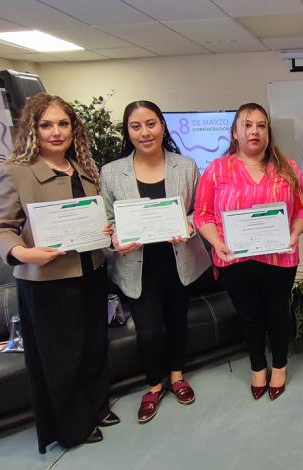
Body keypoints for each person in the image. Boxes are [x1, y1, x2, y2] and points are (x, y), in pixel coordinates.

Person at [0, 93, 117, 453]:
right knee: (62, 356)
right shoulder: (15, 173)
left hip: (91, 270)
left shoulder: (84, 169)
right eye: (46, 125)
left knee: (93, 346)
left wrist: (103, 230)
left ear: (74, 129)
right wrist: (24, 252)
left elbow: (92, 217)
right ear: (33, 130)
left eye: (63, 124)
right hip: (46, 281)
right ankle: (71, 427)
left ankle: (96, 407)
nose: (56, 132)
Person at [100, 100, 211, 424]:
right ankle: (153, 386)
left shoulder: (186, 165)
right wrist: (115, 238)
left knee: (177, 323)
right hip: (137, 265)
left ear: (162, 125)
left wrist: (189, 225)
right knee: (148, 331)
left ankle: (177, 377)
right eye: (136, 126)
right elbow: (107, 220)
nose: (145, 132)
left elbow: (198, 210)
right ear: (128, 131)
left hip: (180, 260)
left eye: (151, 124)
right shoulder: (111, 172)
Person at [194, 102, 303, 401]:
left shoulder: (288, 168)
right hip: (234, 258)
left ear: (268, 133)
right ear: (235, 133)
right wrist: (216, 243)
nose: (254, 131)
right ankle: (258, 366)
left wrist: (296, 231)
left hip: (279, 257)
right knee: (250, 316)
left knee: (277, 313)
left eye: (261, 125)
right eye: (247, 125)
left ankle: (280, 365)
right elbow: (202, 214)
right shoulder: (216, 170)